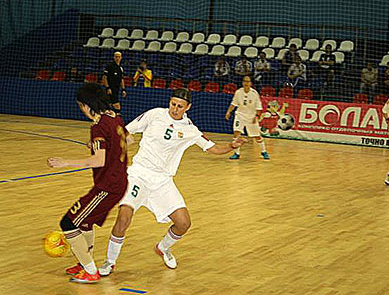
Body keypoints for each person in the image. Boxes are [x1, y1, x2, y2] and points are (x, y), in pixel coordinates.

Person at [98, 88, 246, 275]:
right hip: (138, 174)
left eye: (180, 106)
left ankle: (163, 247)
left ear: (188, 107)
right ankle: (109, 262)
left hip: (162, 181)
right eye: (173, 104)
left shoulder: (190, 130)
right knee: (124, 216)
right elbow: (125, 130)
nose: (175, 109)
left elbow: (213, 148)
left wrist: (231, 146)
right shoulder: (154, 115)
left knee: (183, 223)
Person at [47, 83, 129, 283]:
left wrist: (65, 162)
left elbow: (98, 161)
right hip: (117, 182)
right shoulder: (114, 116)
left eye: (81, 106)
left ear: (86, 105)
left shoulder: (98, 125)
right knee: (85, 222)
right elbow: (130, 139)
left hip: (108, 186)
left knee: (68, 222)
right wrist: (100, 145)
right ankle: (84, 263)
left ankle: (91, 271)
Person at [224, 75, 270, 160]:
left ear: (251, 83)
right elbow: (234, 103)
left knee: (257, 136)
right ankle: (236, 153)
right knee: (236, 133)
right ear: (242, 82)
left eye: (248, 81)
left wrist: (256, 116)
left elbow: (258, 107)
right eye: (245, 81)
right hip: (240, 115)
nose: (246, 83)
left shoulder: (254, 93)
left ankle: (264, 151)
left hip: (251, 117)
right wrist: (228, 112)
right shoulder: (238, 92)